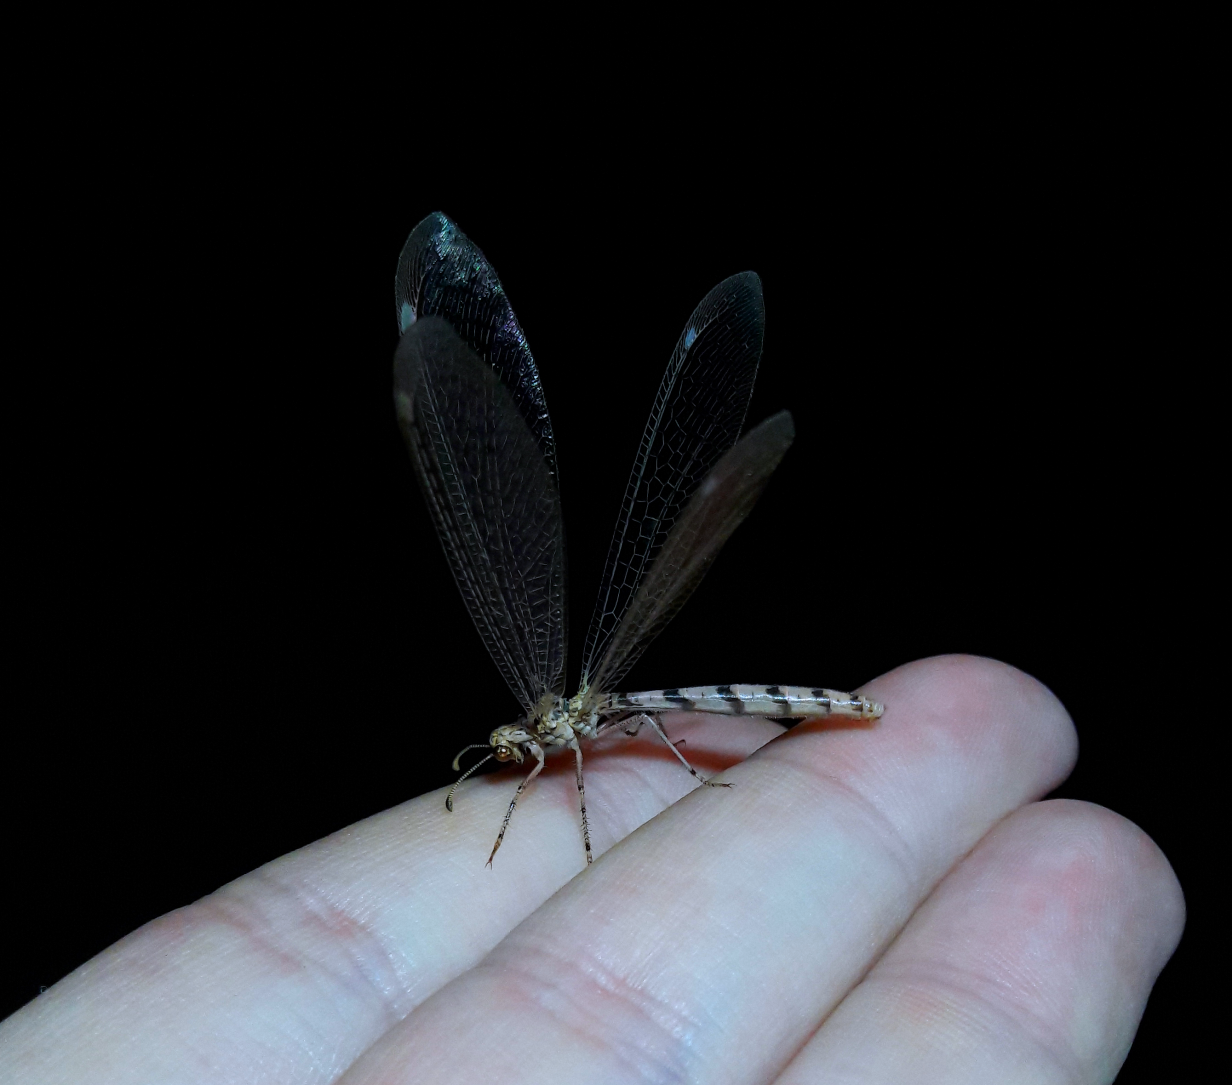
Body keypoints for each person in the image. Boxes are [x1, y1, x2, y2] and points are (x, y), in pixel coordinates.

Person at [0, 656, 1183, 1083]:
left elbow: (637, 734)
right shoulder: (536, 741)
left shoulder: (589, 732)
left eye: (517, 754)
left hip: (731, 708)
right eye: (517, 754)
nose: (514, 758)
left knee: (667, 732)